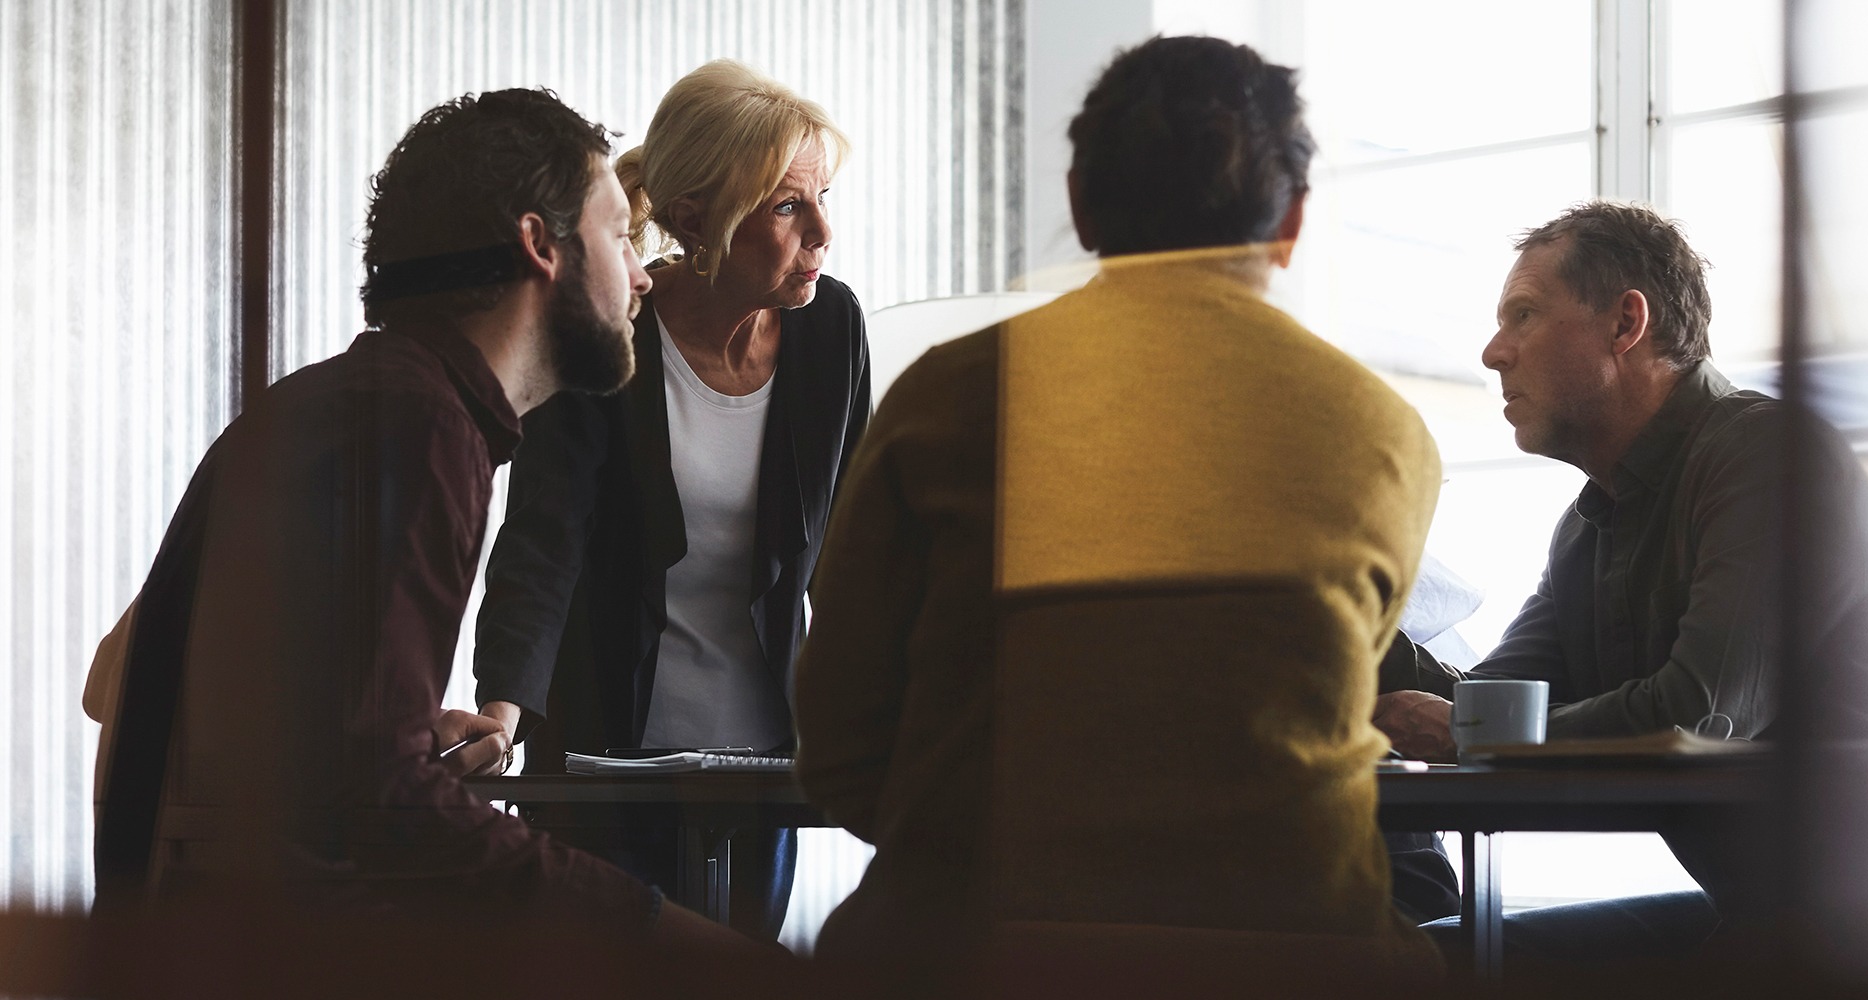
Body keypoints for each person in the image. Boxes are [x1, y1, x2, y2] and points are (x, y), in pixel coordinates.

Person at [792, 35, 1444, 983]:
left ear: (1082, 204)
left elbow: (842, 744)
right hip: (1297, 958)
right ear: (1293, 219)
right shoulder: (1385, 434)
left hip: (972, 953)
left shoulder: (946, 398)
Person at [93, 88, 744, 946]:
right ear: (540, 245)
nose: (641, 273)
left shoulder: (343, 400)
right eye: (621, 234)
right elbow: (387, 805)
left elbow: (117, 676)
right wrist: (658, 933)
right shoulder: (419, 427)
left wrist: (370, 721)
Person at [1373, 200, 1868, 961]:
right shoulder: (1588, 527)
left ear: (1626, 324)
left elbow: (1703, 714)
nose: (1493, 352)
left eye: (1524, 315)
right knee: (1435, 960)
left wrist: (1467, 731)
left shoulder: (1767, 455)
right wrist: (1339, 612)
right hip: (1775, 918)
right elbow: (1487, 707)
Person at [471, 60, 868, 939]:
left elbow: (850, 551)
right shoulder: (614, 328)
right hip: (603, 745)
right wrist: (501, 705)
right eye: (788, 206)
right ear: (696, 222)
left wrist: (890, 716)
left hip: (763, 757)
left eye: (823, 198)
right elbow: (544, 540)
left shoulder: (831, 328)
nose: (824, 232)